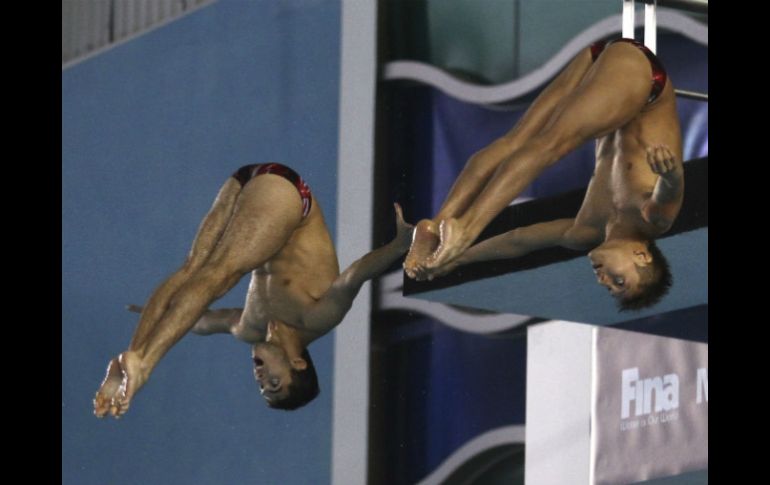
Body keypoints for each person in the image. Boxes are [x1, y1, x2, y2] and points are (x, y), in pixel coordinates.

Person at [94, 163, 413, 418]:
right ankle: (144, 365)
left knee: (193, 272)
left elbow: (202, 322)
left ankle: (133, 356)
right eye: (274, 382)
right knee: (218, 276)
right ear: (298, 363)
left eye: (262, 387)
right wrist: (397, 247)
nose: (261, 380)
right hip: (287, 195)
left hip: (243, 181)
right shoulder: (317, 318)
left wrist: (153, 313)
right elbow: (355, 276)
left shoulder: (249, 328)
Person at [404, 38, 684, 309]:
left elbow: (518, 240)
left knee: (513, 143)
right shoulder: (653, 221)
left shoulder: (583, 232)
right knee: (550, 145)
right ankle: (463, 229)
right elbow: (669, 192)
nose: (603, 279)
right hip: (640, 79)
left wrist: (458, 261)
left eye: (607, 287)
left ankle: (435, 225)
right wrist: (670, 174)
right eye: (619, 280)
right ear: (642, 255)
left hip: (598, 65)